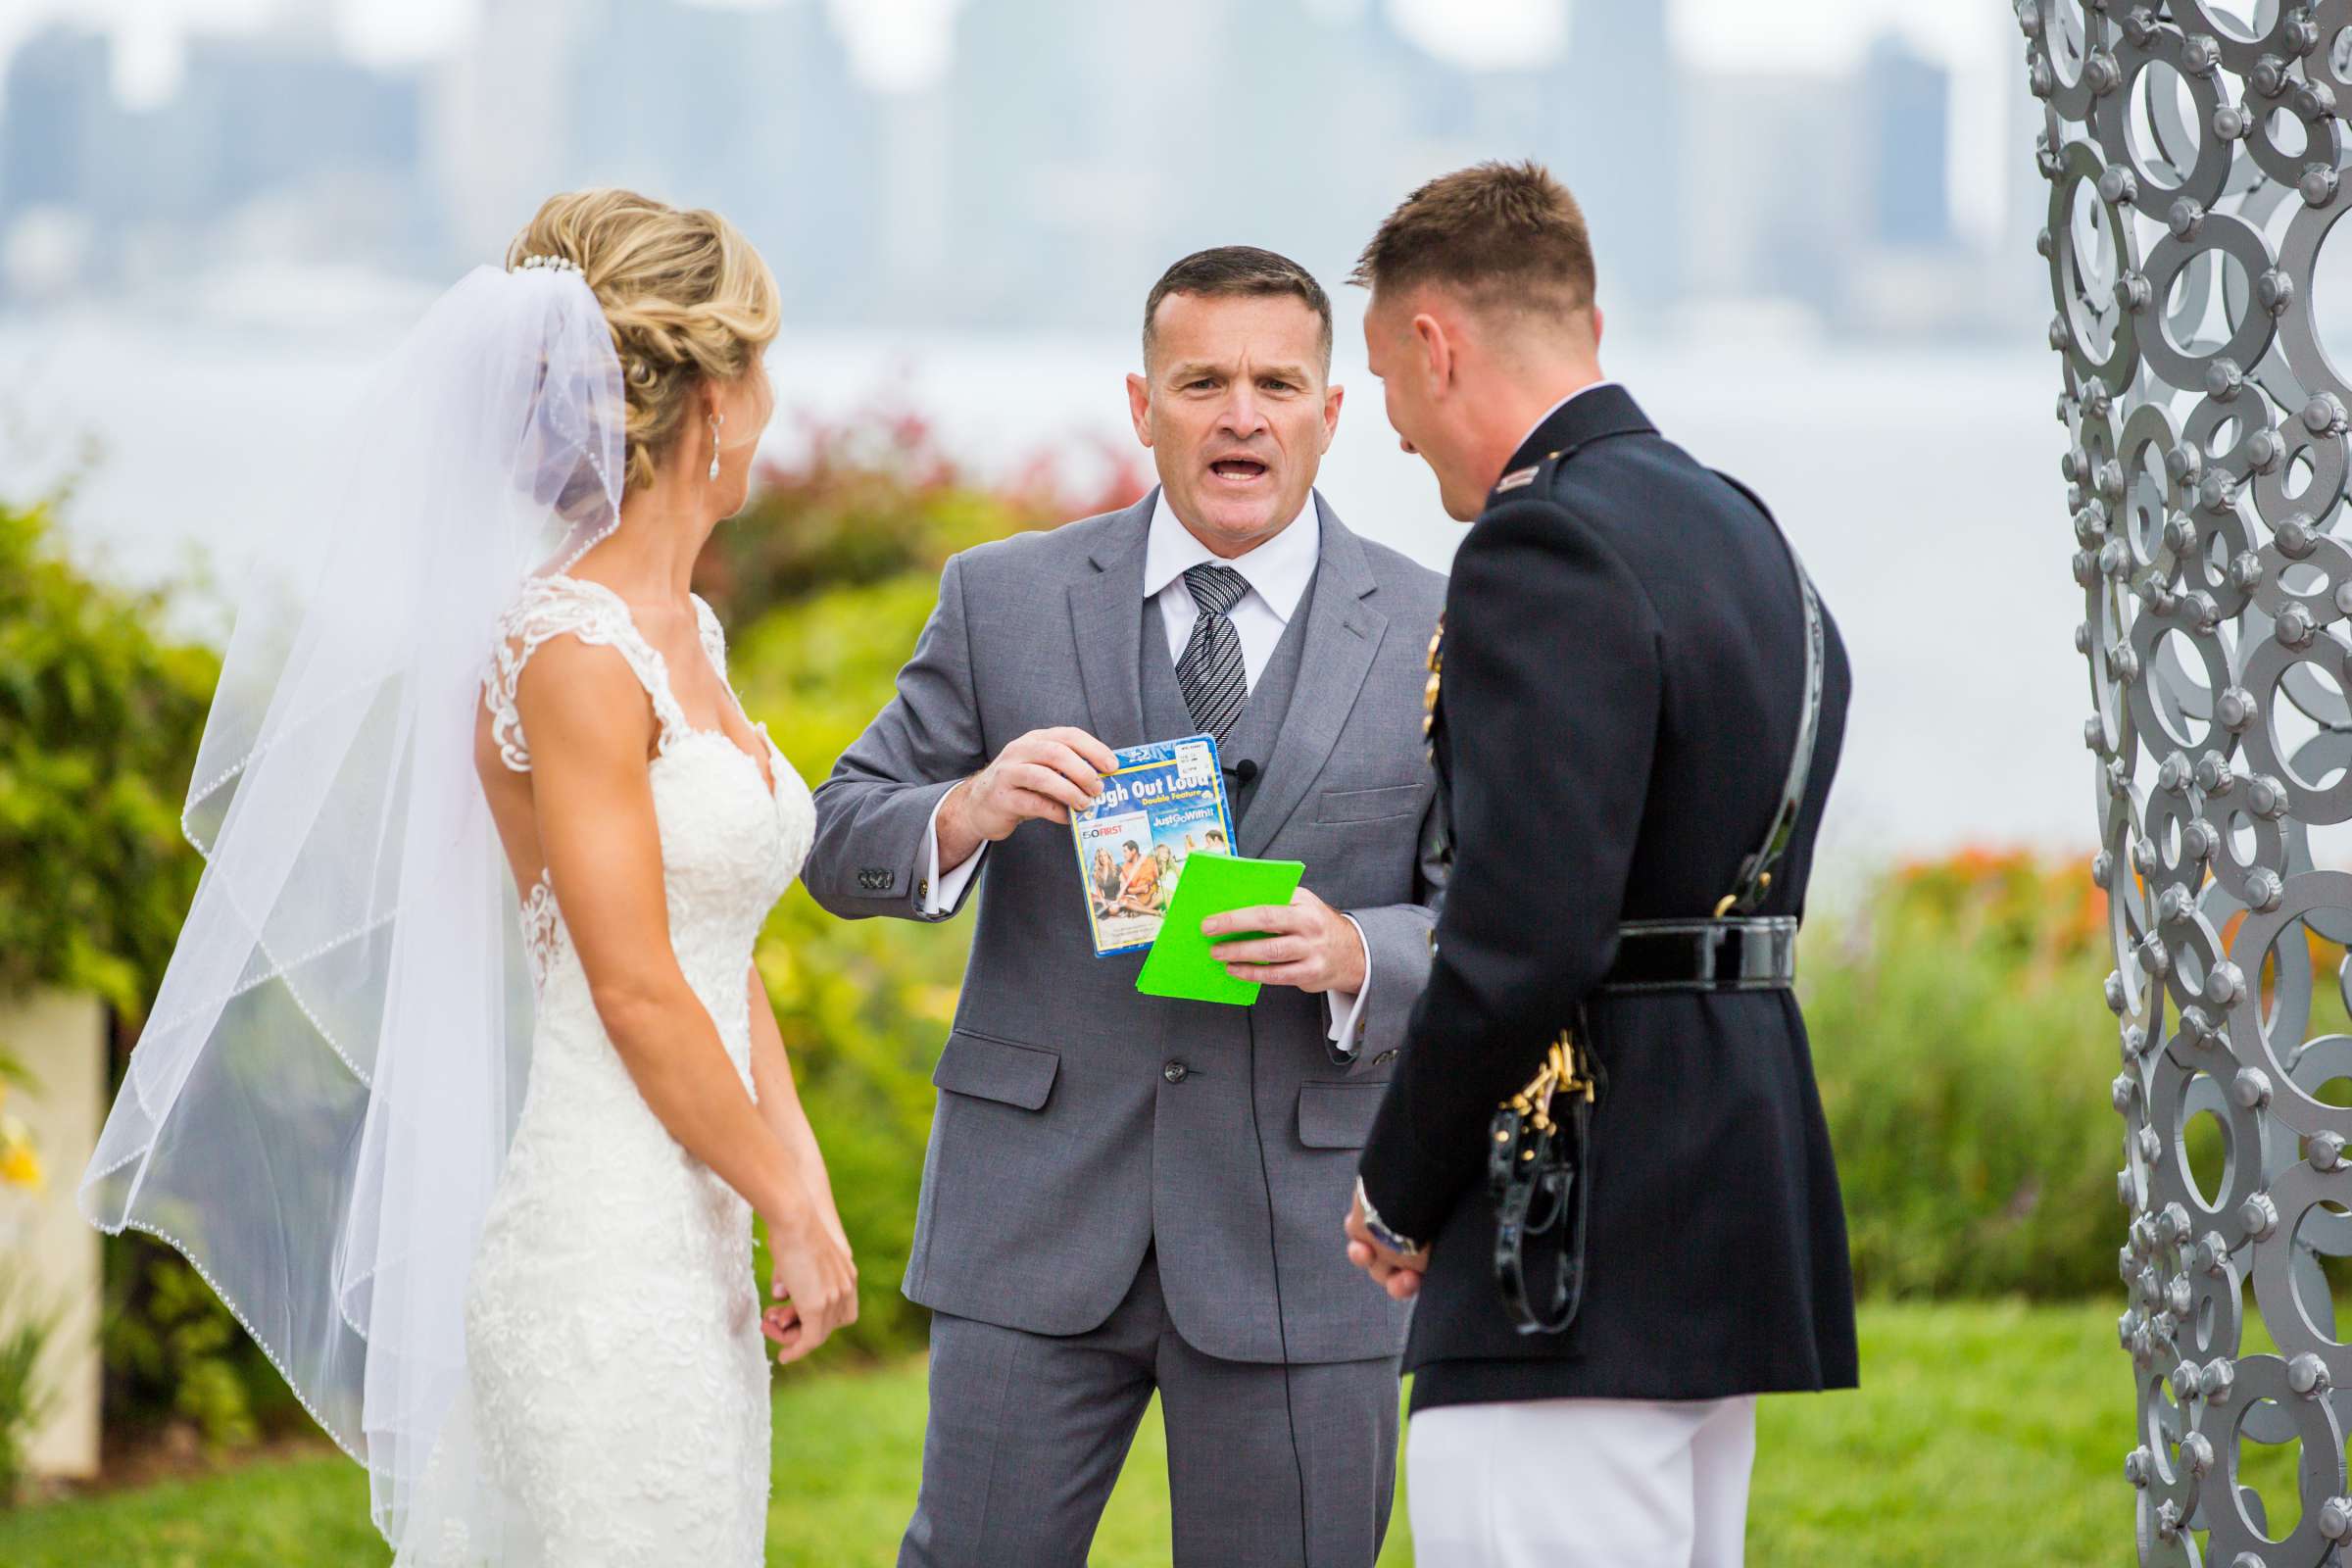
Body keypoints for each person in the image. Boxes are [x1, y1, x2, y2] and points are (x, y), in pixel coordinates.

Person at [77, 188, 856, 1568]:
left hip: (696, 1227)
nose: (775, 401)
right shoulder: (569, 651)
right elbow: (631, 984)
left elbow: (716, 957)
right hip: (602, 1235)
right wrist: (785, 1203)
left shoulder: (689, 630)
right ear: (715, 397)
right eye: (765, 364)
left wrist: (799, 1192)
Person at [807, 245, 1447, 1567]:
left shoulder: (1445, 625)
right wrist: (968, 808)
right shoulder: (1003, 599)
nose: (1240, 414)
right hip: (1032, 1215)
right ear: (1141, 403)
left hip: (1305, 1235)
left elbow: (1498, 917)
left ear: (1331, 414)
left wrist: (1353, 954)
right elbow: (831, 838)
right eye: (1201, 379)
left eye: (1277, 383)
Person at [1340, 162, 1857, 1567]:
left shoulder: (1541, 542)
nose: (1392, 431)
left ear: (1437, 344)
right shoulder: (1738, 528)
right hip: (1726, 1183)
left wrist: (1399, 1186)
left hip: (1567, 1237)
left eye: (1385, 378)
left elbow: (1523, 937)